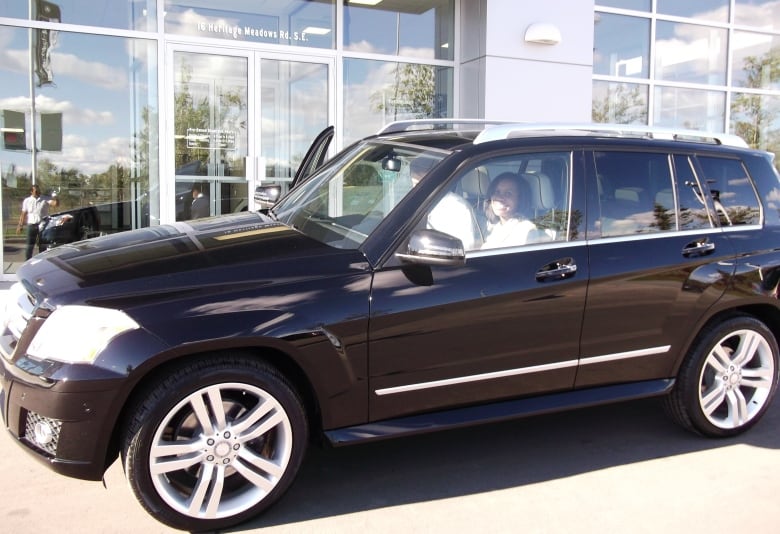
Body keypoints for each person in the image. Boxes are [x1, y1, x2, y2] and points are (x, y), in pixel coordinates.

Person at [410, 156, 478, 250]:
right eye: (414, 184)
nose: (416, 190)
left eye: (421, 184)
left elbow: (465, 248)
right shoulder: (412, 204)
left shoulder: (458, 208)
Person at [481, 172, 546, 249]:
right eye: (497, 192)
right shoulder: (497, 225)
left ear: (520, 199)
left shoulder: (526, 231)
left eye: (508, 193)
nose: (499, 198)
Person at [17, 184, 58, 260]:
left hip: (42, 225)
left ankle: (42, 262)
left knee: (42, 246)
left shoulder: (45, 198)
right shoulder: (27, 201)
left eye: (38, 190)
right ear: (31, 192)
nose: (37, 192)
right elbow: (23, 214)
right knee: (29, 246)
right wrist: (20, 225)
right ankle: (27, 262)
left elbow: (55, 204)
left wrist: (55, 196)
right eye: (35, 191)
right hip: (31, 225)